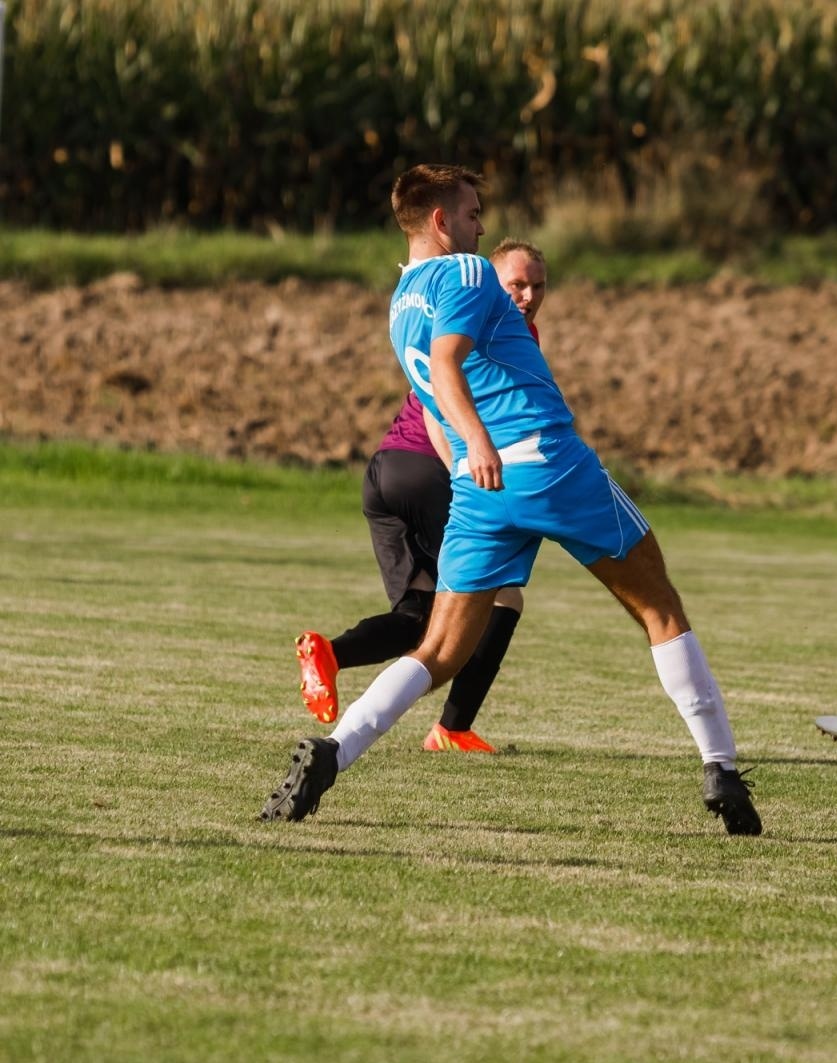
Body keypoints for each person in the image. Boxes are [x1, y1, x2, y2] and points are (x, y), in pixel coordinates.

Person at [263, 164, 761, 835]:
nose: (480, 225)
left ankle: (332, 753)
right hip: (543, 463)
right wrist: (483, 441)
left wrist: (467, 460)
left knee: (439, 650)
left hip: (480, 490)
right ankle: (722, 769)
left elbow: (433, 396)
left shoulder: (400, 300)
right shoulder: (466, 273)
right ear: (440, 220)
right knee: (658, 607)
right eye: (470, 213)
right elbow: (447, 365)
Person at [293, 239, 551, 754]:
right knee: (502, 595)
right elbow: (439, 406)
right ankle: (452, 730)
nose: (526, 296)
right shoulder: (478, 314)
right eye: (515, 285)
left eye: (537, 286)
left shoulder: (501, 322)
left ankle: (329, 654)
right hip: (427, 470)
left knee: (420, 618)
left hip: (386, 474)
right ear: (489, 281)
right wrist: (462, 472)